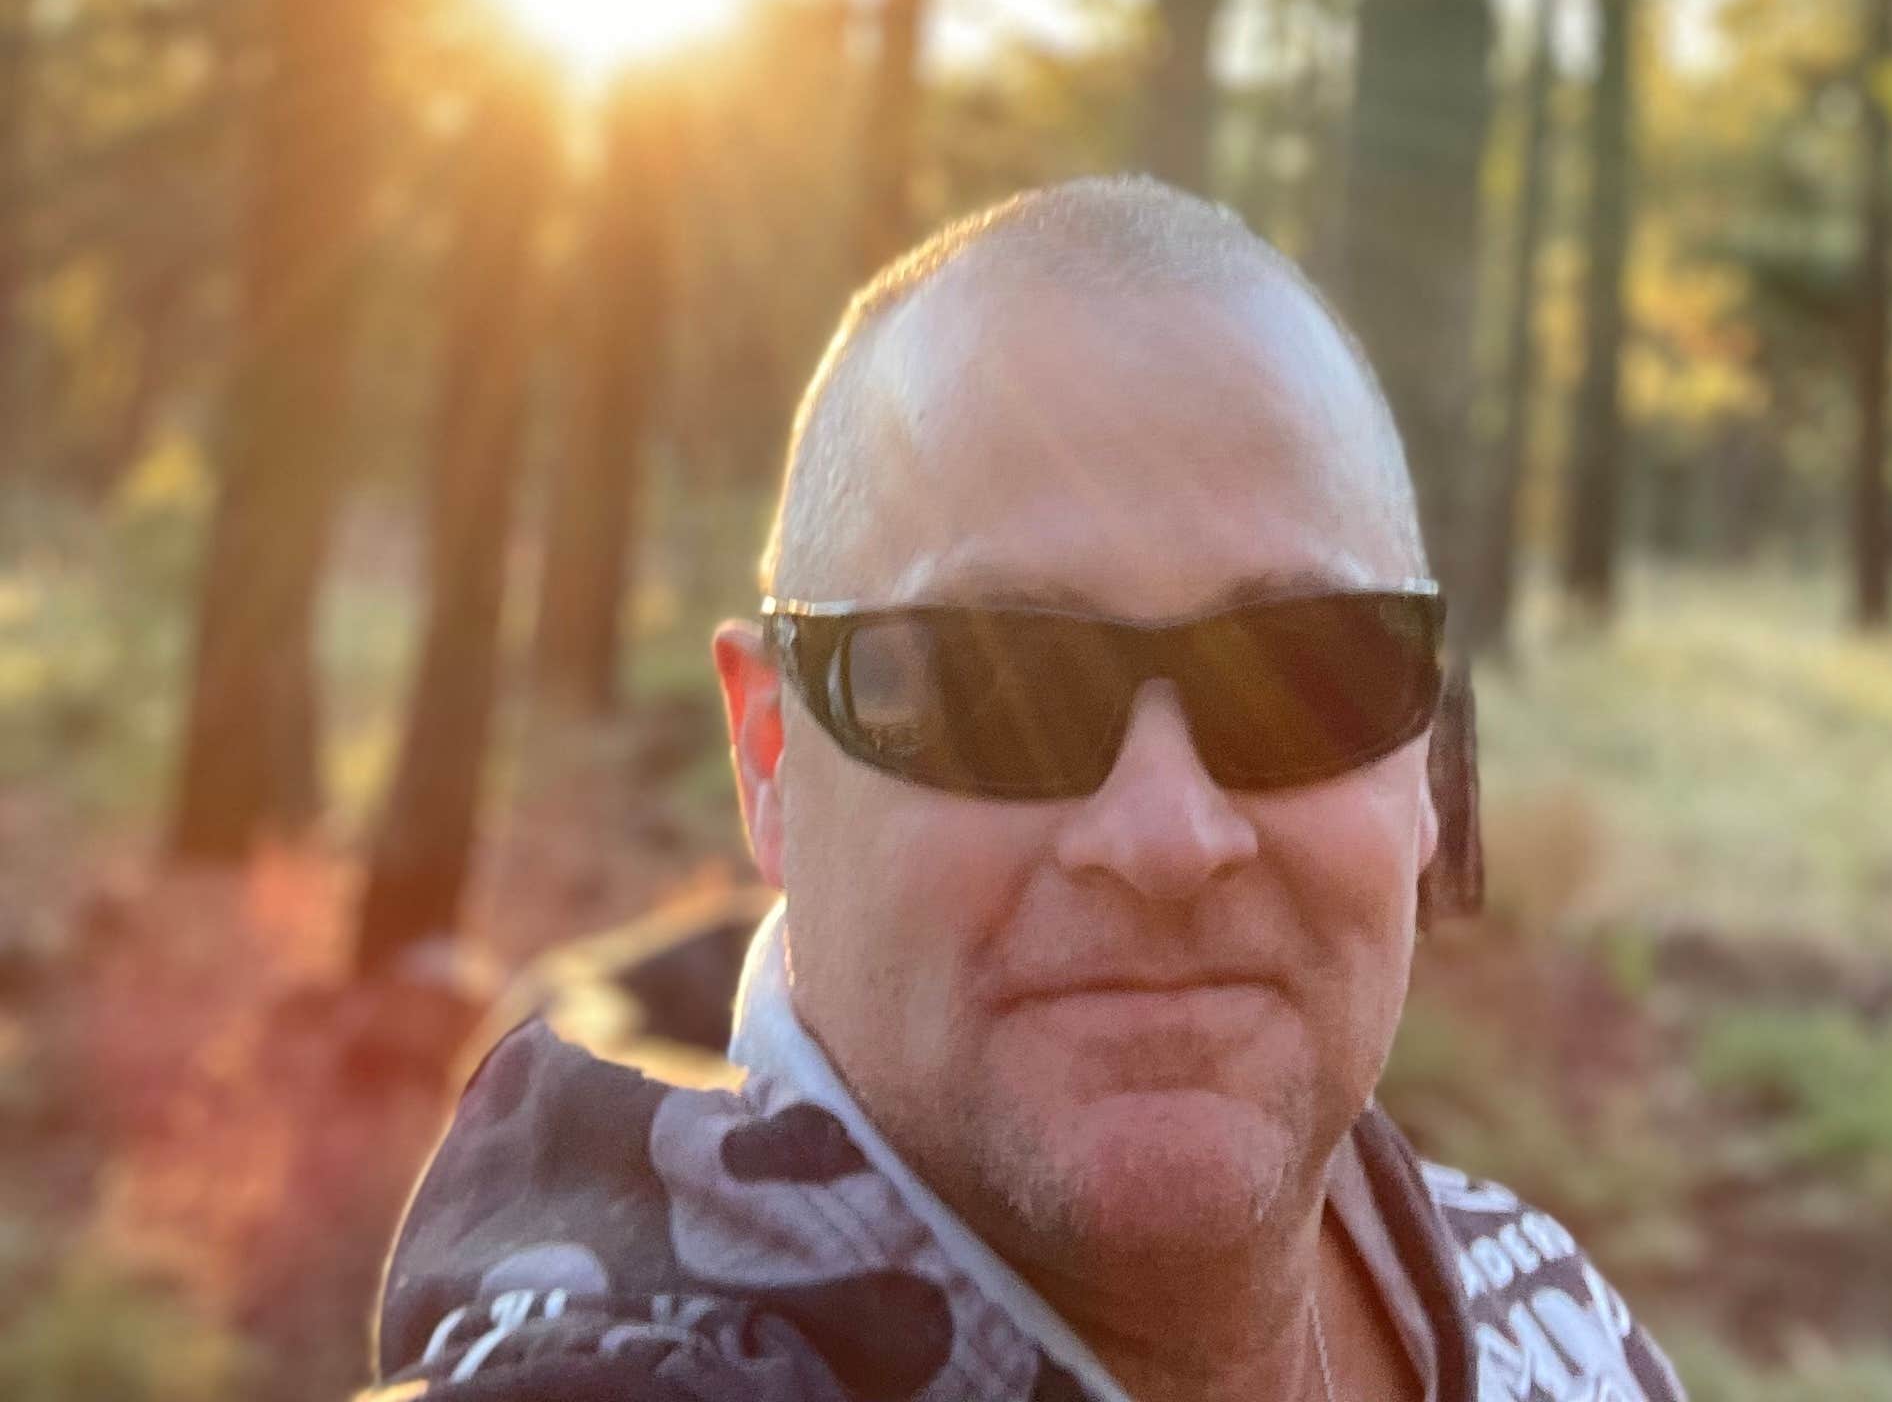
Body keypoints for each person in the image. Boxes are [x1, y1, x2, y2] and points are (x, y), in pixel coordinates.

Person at [370, 178, 1685, 1402]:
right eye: (991, 687)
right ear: (772, 754)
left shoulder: (1542, 1311)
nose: (1168, 837)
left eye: (1306, 674)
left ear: (1426, 768)